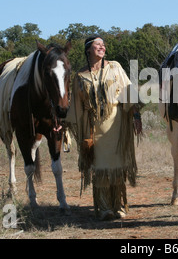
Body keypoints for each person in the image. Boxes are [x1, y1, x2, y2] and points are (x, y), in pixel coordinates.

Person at [66, 35, 141, 220]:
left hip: (116, 124)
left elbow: (127, 91)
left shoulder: (115, 67)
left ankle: (119, 206)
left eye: (103, 44)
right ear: (88, 50)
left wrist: (136, 115)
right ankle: (105, 208)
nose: (102, 46)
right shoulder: (80, 76)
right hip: (94, 128)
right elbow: (75, 106)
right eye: (97, 44)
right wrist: (67, 127)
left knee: (117, 166)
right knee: (100, 166)